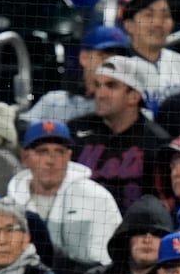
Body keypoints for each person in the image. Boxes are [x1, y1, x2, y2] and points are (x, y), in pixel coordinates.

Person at [3, 120, 122, 274]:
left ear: (69, 156)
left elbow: (107, 262)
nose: (50, 161)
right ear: (25, 157)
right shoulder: (10, 203)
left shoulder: (97, 198)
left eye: (59, 152)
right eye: (42, 152)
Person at [70, 57, 172, 210]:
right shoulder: (75, 130)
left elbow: (163, 205)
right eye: (98, 85)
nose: (100, 94)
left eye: (111, 86)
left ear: (134, 96)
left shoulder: (157, 143)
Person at [26, 25, 132, 126]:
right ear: (84, 58)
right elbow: (21, 130)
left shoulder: (128, 106)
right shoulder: (54, 102)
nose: (112, 63)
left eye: (119, 59)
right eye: (103, 56)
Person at [117, 0, 180, 107]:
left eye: (165, 16)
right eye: (149, 15)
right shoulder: (117, 69)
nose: (158, 23)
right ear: (129, 26)